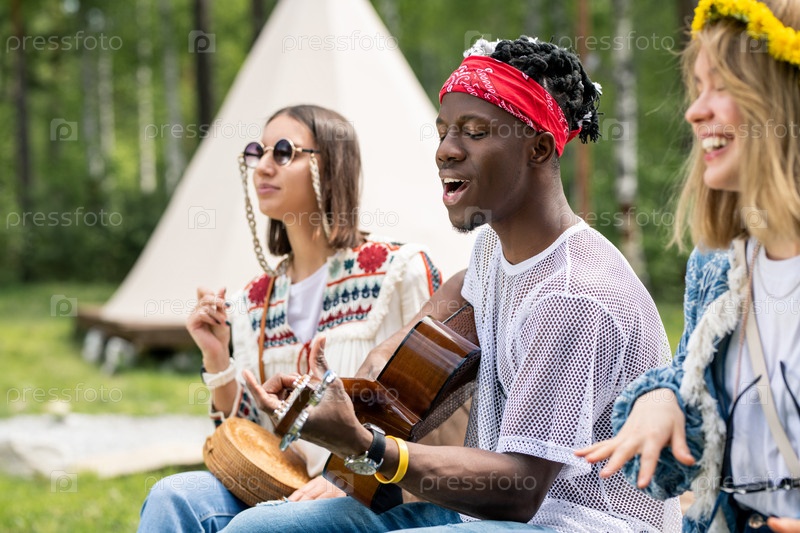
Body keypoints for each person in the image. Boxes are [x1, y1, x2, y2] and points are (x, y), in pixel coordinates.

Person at [221, 36, 681, 532]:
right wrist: (344, 393)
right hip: (483, 514)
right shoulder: (493, 253)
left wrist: (365, 445)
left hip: (576, 522)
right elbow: (428, 332)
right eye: (443, 132)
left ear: (539, 148)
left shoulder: (572, 294)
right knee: (255, 529)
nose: (445, 151)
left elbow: (521, 488)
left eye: (475, 132)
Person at [137, 104, 444, 532]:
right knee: (172, 496)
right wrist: (217, 358)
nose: (263, 166)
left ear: (331, 165)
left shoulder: (398, 270)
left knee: (262, 524)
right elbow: (252, 438)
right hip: (289, 484)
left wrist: (351, 476)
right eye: (257, 152)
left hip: (385, 493)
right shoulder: (256, 299)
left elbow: (439, 407)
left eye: (283, 152)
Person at [575, 0, 800, 530]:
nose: (695, 111)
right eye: (697, 88)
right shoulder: (718, 266)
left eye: (721, 86)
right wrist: (662, 401)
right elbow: (685, 456)